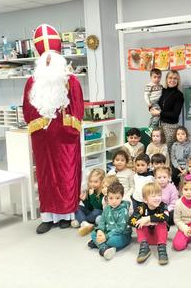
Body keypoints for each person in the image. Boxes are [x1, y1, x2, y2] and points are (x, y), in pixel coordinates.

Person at [23, 24, 84, 234]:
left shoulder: (72, 82)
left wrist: (68, 132)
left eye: (52, 58)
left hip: (66, 139)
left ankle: (67, 215)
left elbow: (77, 110)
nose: (49, 62)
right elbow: (28, 110)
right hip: (42, 139)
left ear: (59, 59)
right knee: (46, 178)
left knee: (66, 175)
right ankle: (48, 217)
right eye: (45, 59)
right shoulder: (32, 82)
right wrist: (41, 126)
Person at [88, 182, 132, 260]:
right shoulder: (107, 208)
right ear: (107, 197)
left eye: (117, 198)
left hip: (122, 235)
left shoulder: (123, 210)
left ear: (122, 197)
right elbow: (102, 221)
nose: (114, 201)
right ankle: (104, 248)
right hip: (108, 232)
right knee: (93, 234)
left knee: (112, 241)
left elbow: (120, 229)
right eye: (111, 198)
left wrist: (106, 236)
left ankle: (100, 244)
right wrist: (100, 231)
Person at [129, 182, 169, 265]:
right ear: (145, 200)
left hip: (159, 238)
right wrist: (144, 222)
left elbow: (166, 216)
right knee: (139, 222)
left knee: (162, 223)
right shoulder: (141, 207)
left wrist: (148, 219)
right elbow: (130, 221)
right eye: (153, 196)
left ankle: (162, 249)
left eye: (159, 195)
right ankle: (144, 248)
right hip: (146, 239)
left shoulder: (162, 205)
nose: (157, 198)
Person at [151, 70, 184, 151]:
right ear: (166, 79)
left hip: (170, 127)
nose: (172, 80)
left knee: (168, 151)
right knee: (158, 150)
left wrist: (159, 113)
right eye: (170, 78)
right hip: (160, 124)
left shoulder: (179, 95)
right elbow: (155, 102)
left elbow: (175, 114)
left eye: (175, 78)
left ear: (178, 80)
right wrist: (151, 107)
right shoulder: (163, 91)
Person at [72, 168, 105, 236]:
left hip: (99, 213)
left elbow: (98, 207)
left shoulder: (103, 192)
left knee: (97, 211)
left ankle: (82, 221)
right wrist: (84, 200)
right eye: (91, 181)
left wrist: (92, 195)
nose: (92, 184)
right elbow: (89, 207)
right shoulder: (90, 190)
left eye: (95, 182)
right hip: (91, 213)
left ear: (102, 182)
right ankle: (85, 223)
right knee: (76, 206)